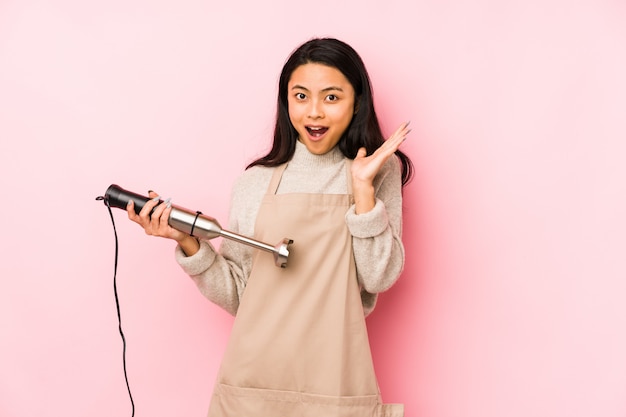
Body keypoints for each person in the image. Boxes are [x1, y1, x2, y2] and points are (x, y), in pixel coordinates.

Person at [127, 37, 413, 417]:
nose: (314, 112)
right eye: (300, 96)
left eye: (331, 97)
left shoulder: (376, 171)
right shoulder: (255, 181)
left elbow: (379, 277)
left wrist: (363, 193)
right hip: (253, 380)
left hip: (333, 377)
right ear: (286, 101)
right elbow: (243, 295)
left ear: (357, 102)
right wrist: (189, 242)